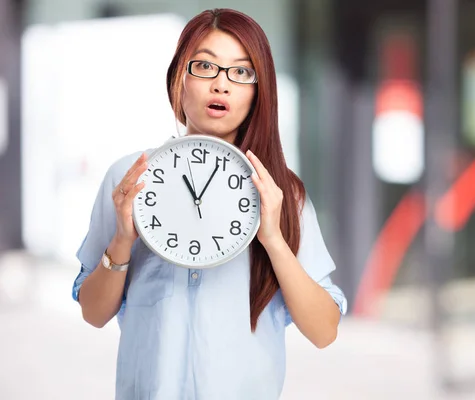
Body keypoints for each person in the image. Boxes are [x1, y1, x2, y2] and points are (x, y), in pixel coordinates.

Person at [71, 8, 347, 399]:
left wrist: (272, 238)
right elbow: (93, 313)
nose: (222, 85)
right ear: (178, 79)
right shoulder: (130, 179)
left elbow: (324, 332)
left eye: (241, 72)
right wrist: (121, 239)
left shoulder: (281, 194)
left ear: (257, 92)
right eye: (205, 67)